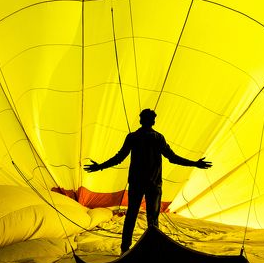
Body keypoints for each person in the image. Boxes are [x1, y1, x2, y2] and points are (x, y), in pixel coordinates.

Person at [84, 108, 212, 253]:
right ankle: (153, 250)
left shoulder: (133, 137)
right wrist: (194, 163)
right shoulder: (158, 138)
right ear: (153, 121)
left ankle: (125, 248)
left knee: (131, 215)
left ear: (140, 120)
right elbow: (173, 158)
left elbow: (119, 158)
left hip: (136, 184)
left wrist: (100, 166)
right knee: (153, 219)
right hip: (154, 184)